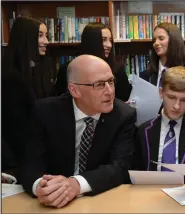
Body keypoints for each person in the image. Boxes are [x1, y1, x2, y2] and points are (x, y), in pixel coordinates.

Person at [20, 55, 136, 208]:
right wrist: (40, 187)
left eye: (111, 81)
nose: (110, 91)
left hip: (99, 202)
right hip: (52, 203)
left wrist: (76, 184)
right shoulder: (45, 112)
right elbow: (30, 163)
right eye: (100, 85)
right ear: (74, 90)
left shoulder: (123, 116)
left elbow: (119, 167)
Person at [134, 66, 185, 172]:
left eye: (184, 100)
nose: (177, 106)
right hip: (152, 187)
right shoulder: (144, 130)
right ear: (161, 93)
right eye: (172, 98)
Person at [1, 16, 56, 180]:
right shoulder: (10, 78)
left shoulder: (42, 69)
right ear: (26, 37)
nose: (46, 41)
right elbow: (14, 129)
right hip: (18, 161)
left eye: (47, 36)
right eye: (40, 35)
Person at [55, 22, 132, 101]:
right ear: (91, 42)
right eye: (103, 40)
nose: (109, 45)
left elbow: (124, 102)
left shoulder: (118, 70)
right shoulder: (68, 69)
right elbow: (60, 99)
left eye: (110, 40)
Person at [140, 22, 185, 87]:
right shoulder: (145, 77)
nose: (156, 43)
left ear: (174, 40)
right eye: (154, 40)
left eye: (161, 38)